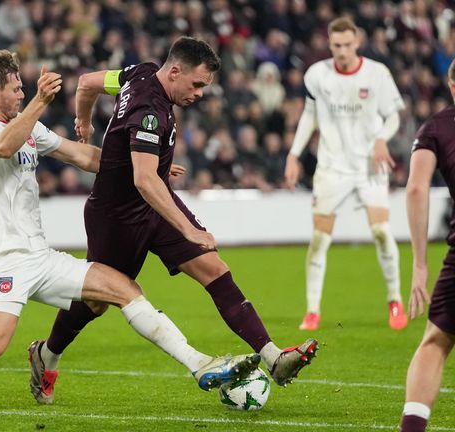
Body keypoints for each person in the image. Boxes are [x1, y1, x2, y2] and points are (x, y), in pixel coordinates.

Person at [0, 50, 260, 416]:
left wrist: (147, 161)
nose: (22, 92)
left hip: (42, 256)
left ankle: (200, 365)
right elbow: (1, 147)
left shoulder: (28, 128)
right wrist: (39, 102)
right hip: (7, 261)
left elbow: (83, 155)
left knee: (125, 289)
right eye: (17, 88)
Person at [29, 36, 318, 405]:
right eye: (197, 85)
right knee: (97, 301)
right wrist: (188, 228)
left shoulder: (140, 71)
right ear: (176, 70)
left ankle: (273, 357)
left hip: (153, 205)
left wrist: (83, 123)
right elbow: (143, 179)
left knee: (214, 268)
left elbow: (86, 83)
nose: (199, 94)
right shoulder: (149, 107)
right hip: (117, 217)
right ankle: (46, 355)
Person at [284, 17, 407, 331]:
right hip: (331, 167)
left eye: (347, 45)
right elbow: (309, 115)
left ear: (357, 42)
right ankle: (312, 311)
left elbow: (394, 116)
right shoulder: (317, 75)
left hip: (369, 166)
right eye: (336, 45)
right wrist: (294, 154)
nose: (342, 50)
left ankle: (395, 300)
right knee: (320, 239)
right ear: (329, 44)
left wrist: (381, 139)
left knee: (381, 232)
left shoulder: (377, 74)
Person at [398, 59, 455, 432]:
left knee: (436, 342)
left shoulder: (436, 127)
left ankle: (412, 428)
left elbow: (417, 188)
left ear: (452, 86)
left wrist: (420, 262)